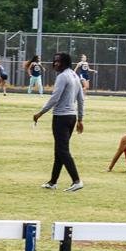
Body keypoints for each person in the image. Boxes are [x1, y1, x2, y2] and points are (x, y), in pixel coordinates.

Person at [32, 52, 85, 192]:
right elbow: (81, 99)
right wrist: (80, 119)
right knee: (59, 151)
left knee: (62, 150)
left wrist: (40, 113)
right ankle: (53, 182)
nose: (55, 63)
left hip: (61, 117)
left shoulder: (62, 77)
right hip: (71, 117)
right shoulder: (74, 75)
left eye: (58, 61)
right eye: (54, 61)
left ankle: (76, 180)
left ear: (66, 62)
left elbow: (55, 98)